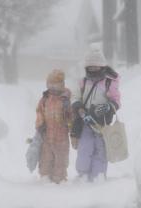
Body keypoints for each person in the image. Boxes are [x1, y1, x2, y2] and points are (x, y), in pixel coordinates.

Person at [71, 46, 121, 182]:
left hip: (102, 123)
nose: (93, 70)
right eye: (90, 67)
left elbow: (116, 100)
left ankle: (98, 176)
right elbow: (75, 96)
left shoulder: (109, 82)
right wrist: (79, 107)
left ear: (102, 66)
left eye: (96, 67)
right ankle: (83, 175)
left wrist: (108, 106)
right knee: (84, 149)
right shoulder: (83, 82)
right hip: (85, 120)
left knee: (100, 151)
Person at [35, 69, 72, 184]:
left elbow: (71, 118)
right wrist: (40, 124)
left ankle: (59, 180)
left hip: (61, 137)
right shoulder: (45, 99)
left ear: (61, 84)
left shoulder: (66, 99)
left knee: (61, 160)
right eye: (50, 84)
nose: (52, 87)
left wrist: (68, 112)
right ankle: (45, 178)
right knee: (45, 158)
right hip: (47, 136)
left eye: (55, 84)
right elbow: (39, 112)